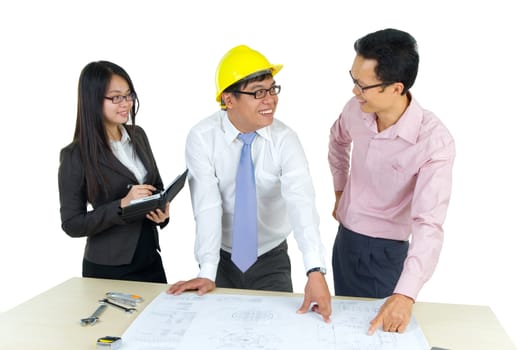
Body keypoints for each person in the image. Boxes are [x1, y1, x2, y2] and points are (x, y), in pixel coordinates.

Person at [167, 45, 331, 322]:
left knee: (280, 331)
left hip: (271, 258)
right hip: (222, 258)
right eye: (258, 92)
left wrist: (314, 269)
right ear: (228, 100)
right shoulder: (202, 137)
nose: (269, 100)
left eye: (272, 89)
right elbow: (207, 206)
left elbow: (301, 202)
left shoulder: (285, 140)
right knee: (217, 332)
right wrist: (207, 270)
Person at [328, 28, 455, 334]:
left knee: (378, 336)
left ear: (396, 88)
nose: (354, 92)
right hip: (345, 241)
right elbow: (337, 140)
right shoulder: (356, 110)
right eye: (353, 80)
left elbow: (429, 223)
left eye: (363, 85)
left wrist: (406, 294)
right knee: (342, 331)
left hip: (385, 253)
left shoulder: (433, 141)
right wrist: (340, 189)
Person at [58, 61, 170, 283]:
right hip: (109, 267)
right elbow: (72, 223)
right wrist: (121, 206)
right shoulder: (75, 155)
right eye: (116, 97)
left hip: (150, 258)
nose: (126, 104)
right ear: (93, 100)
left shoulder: (138, 136)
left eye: (129, 96)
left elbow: (155, 184)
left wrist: (162, 212)